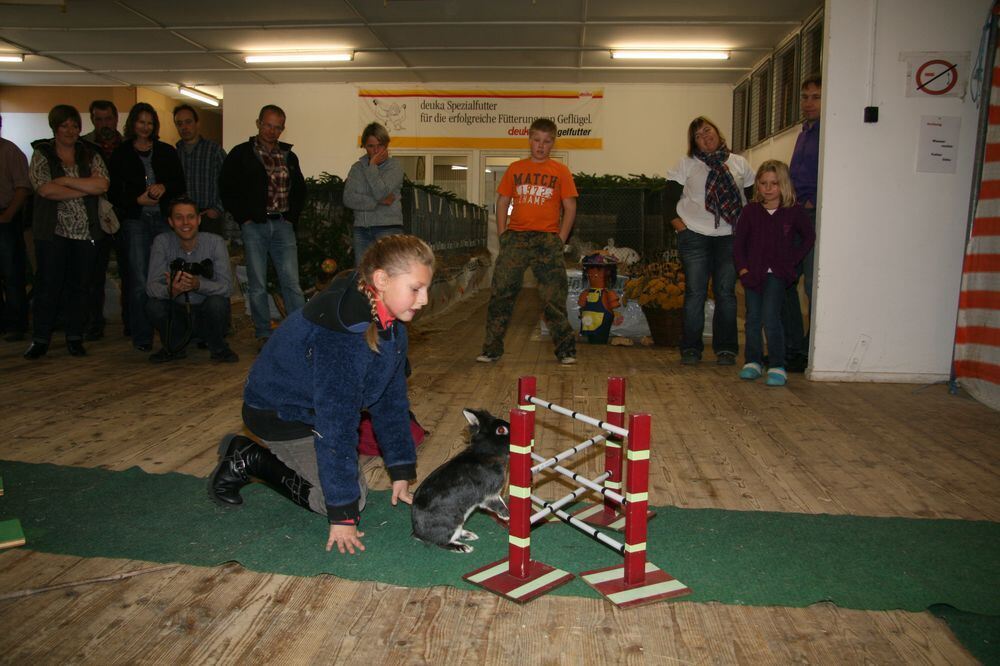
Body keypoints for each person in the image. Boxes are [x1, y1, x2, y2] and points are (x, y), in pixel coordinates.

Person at [208, 235, 433, 555]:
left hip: (314, 410)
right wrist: (342, 515)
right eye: (416, 289)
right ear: (382, 280)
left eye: (426, 289)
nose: (424, 300)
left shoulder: (391, 322)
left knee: (346, 483)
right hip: (280, 414)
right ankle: (248, 458)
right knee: (349, 499)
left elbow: (390, 399)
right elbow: (336, 424)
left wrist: (400, 468)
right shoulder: (343, 335)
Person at [477, 117, 578, 365]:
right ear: (529, 140)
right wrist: (503, 234)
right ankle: (491, 349)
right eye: (537, 140)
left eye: (546, 141)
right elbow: (503, 201)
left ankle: (565, 350)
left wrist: (560, 239)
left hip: (548, 241)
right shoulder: (515, 169)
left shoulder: (561, 171)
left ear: (553, 143)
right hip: (516, 239)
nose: (541, 146)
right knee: (501, 292)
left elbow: (570, 207)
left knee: (553, 296)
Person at [665, 116, 755, 366]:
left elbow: (751, 202)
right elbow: (667, 201)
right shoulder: (686, 164)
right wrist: (682, 229)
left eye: (707, 130)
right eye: (698, 136)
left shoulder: (740, 163)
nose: (705, 137)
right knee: (695, 293)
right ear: (694, 143)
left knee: (725, 293)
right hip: (694, 236)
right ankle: (690, 348)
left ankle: (726, 349)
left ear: (717, 131)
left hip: (730, 237)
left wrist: (745, 232)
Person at [23, 104, 110, 359]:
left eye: (75, 126)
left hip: (86, 232)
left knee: (80, 287)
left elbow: (102, 184)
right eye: (65, 126)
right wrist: (84, 188)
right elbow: (45, 190)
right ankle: (40, 339)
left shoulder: (90, 152)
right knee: (48, 286)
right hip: (52, 233)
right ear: (55, 128)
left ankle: (75, 337)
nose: (71, 131)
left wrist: (65, 181)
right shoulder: (42, 153)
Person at [220, 104, 306, 350]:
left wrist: (291, 218)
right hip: (254, 226)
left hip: (283, 225)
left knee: (291, 282)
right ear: (258, 123)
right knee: (257, 283)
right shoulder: (240, 154)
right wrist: (244, 218)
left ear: (283, 129)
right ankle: (263, 333)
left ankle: (300, 332)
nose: (272, 131)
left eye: (277, 127)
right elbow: (226, 188)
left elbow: (300, 190)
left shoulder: (289, 156)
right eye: (268, 125)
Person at [108, 102, 186, 353]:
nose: (145, 127)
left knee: (166, 277)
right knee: (139, 279)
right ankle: (142, 335)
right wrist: (136, 200)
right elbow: (113, 192)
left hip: (163, 220)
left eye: (150, 123)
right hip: (135, 221)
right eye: (141, 122)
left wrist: (164, 187)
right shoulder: (121, 154)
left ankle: (170, 332)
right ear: (133, 124)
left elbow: (179, 183)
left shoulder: (166, 151)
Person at [733, 160, 815, 387]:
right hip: (752, 274)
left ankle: (778, 365)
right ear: (757, 185)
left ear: (784, 184)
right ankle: (753, 361)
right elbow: (739, 244)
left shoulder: (794, 212)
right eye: (763, 183)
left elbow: (808, 237)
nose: (768, 188)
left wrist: (792, 262)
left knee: (771, 317)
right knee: (753, 318)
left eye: (774, 183)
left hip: (778, 275)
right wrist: (743, 269)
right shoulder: (750, 212)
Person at [145, 196, 237, 364]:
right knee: (154, 305)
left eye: (190, 217)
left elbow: (227, 287)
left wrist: (198, 284)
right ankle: (173, 347)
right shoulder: (162, 242)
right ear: (171, 222)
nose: (185, 223)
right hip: (177, 312)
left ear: (199, 219)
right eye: (179, 218)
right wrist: (171, 291)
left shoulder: (215, 242)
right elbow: (151, 286)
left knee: (218, 302)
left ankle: (218, 348)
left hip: (206, 312)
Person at [783, 74, 822, 373]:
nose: (808, 103)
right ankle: (793, 346)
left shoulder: (828, 133)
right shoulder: (804, 133)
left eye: (816, 97)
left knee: (811, 285)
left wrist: (811, 202)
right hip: (795, 214)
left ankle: (810, 350)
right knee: (785, 279)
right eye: (805, 97)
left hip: (814, 216)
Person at [81, 99, 128, 341]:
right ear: (92, 120)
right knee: (93, 274)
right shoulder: (83, 147)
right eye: (98, 119)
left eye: (108, 118)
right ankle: (94, 323)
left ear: (116, 119)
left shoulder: (128, 145)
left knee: (130, 272)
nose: (104, 124)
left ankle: (131, 322)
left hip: (124, 215)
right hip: (94, 217)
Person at [343, 122, 404, 265]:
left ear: (386, 145)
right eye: (371, 146)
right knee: (363, 274)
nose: (376, 150)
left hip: (388, 228)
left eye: (380, 145)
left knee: (389, 272)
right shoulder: (357, 168)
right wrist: (377, 202)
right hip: (361, 230)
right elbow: (348, 199)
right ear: (364, 146)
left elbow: (381, 192)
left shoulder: (394, 167)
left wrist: (372, 166)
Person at [172, 104, 227, 237]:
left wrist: (217, 209)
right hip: (182, 218)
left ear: (197, 123)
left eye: (188, 122)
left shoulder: (214, 150)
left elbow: (229, 182)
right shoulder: (174, 154)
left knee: (210, 250)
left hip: (209, 217)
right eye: (179, 124)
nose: (184, 127)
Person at [0, 113, 31, 342]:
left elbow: (22, 188)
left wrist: (8, 215)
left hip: (5, 217)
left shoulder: (10, 151)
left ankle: (16, 324)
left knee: (12, 274)